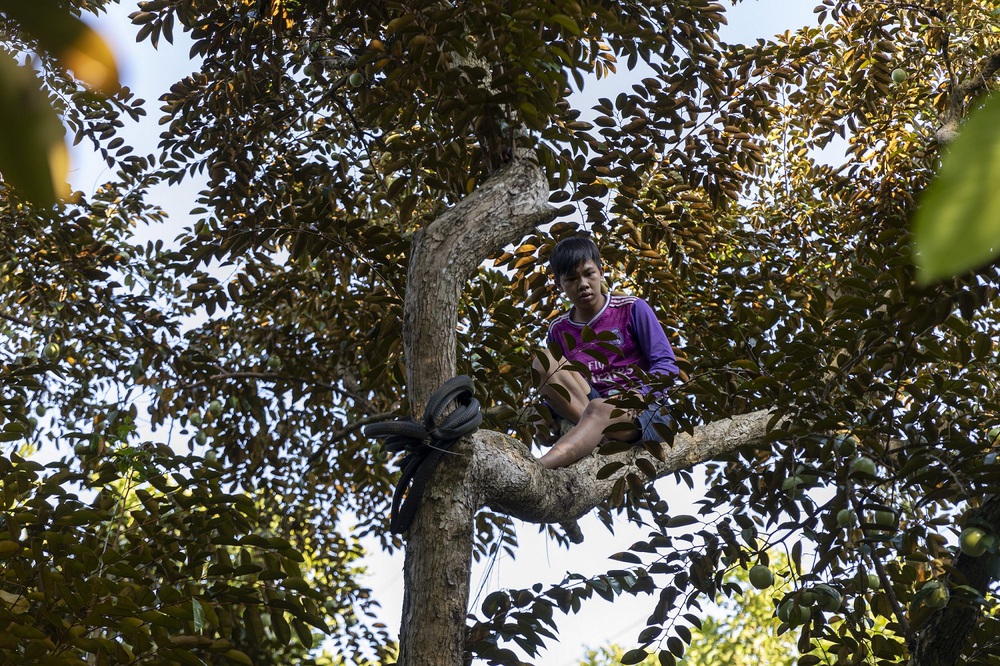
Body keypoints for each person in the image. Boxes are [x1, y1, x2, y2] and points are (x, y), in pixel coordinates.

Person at [533, 236, 679, 469]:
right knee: (543, 362)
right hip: (590, 406)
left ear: (601, 272)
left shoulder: (632, 308)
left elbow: (667, 366)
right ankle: (597, 435)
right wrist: (544, 412)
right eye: (571, 278)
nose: (583, 284)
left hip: (643, 410)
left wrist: (640, 394)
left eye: (589, 273)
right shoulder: (559, 330)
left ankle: (539, 468)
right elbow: (563, 382)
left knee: (599, 408)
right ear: (560, 285)